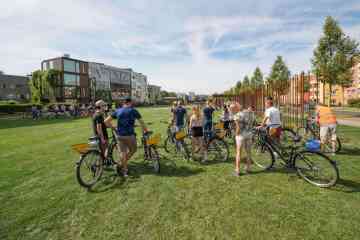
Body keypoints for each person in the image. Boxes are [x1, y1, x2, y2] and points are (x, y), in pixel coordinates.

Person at [104, 97, 148, 177]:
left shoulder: (117, 110)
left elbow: (106, 121)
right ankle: (120, 165)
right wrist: (146, 131)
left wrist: (113, 127)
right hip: (129, 135)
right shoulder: (133, 110)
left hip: (119, 135)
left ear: (124, 103)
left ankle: (125, 170)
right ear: (130, 102)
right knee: (133, 149)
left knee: (122, 153)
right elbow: (142, 122)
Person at [232, 104, 256, 176]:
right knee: (248, 152)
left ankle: (237, 170)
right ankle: (248, 169)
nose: (233, 110)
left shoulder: (237, 115)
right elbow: (253, 123)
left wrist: (236, 135)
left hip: (241, 135)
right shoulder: (251, 114)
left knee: (239, 152)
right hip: (249, 134)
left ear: (237, 108)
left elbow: (238, 127)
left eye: (233, 108)